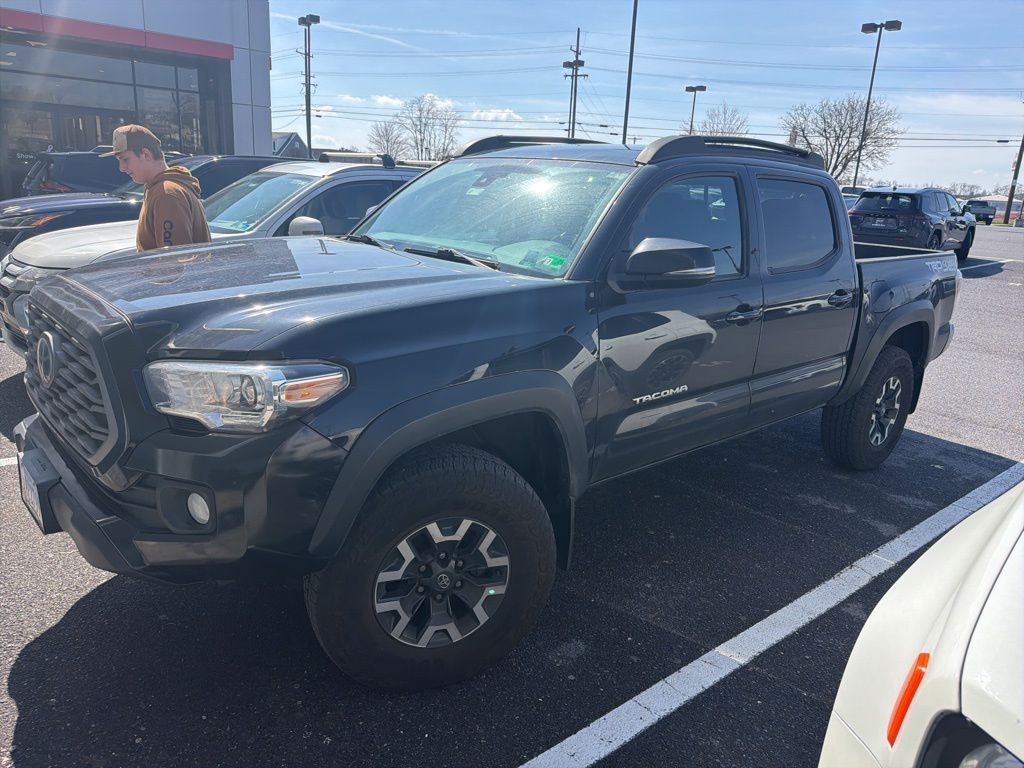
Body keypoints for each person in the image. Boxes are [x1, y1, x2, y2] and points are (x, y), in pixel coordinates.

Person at [102, 125, 211, 252]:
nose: (122, 168)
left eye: (125, 159)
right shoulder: (160, 188)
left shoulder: (167, 194)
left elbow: (174, 261)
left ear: (145, 154)